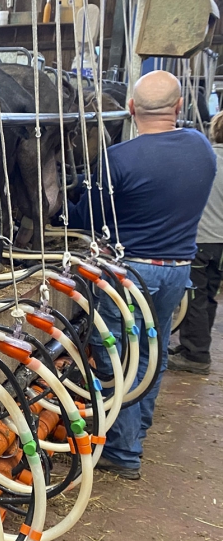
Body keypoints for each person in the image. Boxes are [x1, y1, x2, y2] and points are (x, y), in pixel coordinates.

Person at [66, 70, 217, 480]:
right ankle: (137, 432)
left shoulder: (119, 160)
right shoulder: (202, 148)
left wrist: (70, 194)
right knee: (152, 354)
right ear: (180, 107)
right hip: (177, 271)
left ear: (130, 109)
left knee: (118, 358)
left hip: (130, 273)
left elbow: (88, 220)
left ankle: (123, 450)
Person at [169, 111, 223, 374]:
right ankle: (194, 345)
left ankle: (196, 355)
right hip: (221, 245)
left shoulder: (206, 158)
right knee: (209, 295)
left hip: (202, 239)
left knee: (194, 296)